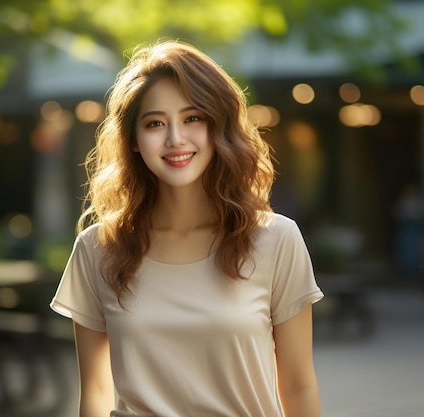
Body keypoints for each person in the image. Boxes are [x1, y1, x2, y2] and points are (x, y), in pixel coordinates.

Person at [50, 40, 324, 417]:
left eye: (192, 118)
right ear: (133, 140)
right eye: (155, 123)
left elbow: (298, 385)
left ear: (219, 126)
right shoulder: (98, 248)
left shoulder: (276, 239)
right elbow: (95, 389)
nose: (175, 138)